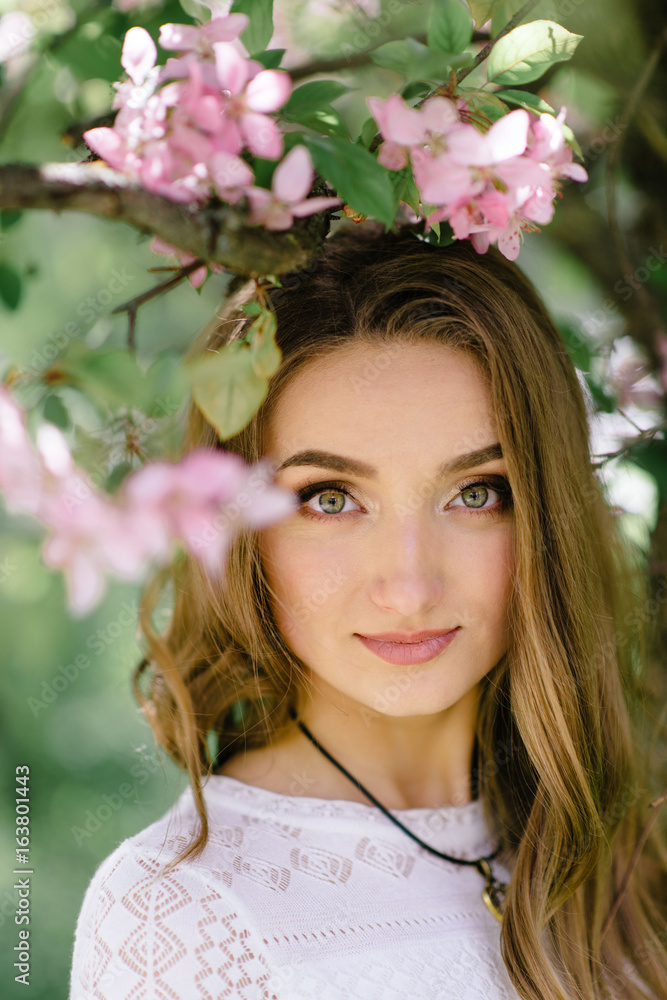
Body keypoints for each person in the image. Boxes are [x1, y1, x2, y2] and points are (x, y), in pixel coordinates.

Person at [68, 224, 667, 1000]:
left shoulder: (622, 848)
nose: (410, 587)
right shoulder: (178, 918)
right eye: (329, 499)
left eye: (476, 493)